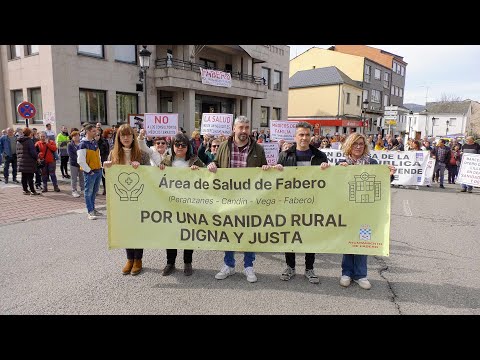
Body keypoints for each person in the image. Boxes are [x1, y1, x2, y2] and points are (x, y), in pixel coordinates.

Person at [207, 115, 269, 283]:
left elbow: (264, 171)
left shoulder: (258, 149)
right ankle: (229, 265)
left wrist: (265, 168)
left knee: (249, 232)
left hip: (249, 199)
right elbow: (217, 165)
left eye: (246, 128)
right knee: (229, 231)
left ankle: (249, 266)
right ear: (234, 129)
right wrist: (212, 165)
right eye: (240, 127)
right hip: (228, 198)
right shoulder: (223, 147)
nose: (243, 131)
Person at [337, 133, 395, 290]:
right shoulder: (342, 163)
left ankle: (361, 274)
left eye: (361, 144)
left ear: (365, 146)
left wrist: (389, 175)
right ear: (349, 145)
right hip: (348, 211)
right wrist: (338, 172)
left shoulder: (372, 163)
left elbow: (381, 183)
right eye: (355, 143)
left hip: (366, 212)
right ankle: (346, 273)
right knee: (348, 241)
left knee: (363, 241)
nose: (358, 146)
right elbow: (334, 186)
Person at [274, 122, 330, 284]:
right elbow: (278, 180)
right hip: (290, 202)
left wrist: (327, 170)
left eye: (307, 134)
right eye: (301, 134)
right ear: (295, 137)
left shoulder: (320, 156)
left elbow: (326, 180)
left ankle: (309, 268)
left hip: (311, 203)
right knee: (289, 235)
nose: (304, 138)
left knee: (309, 235)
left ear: (311, 136)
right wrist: (276, 170)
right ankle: (290, 267)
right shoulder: (285, 155)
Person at [103, 124, 150, 275]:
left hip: (139, 199)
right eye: (122, 135)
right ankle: (129, 258)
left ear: (133, 137)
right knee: (126, 228)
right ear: (118, 138)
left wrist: (141, 169)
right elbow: (109, 180)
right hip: (121, 200)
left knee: (138, 229)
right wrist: (106, 168)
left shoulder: (142, 155)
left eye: (128, 135)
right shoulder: (113, 154)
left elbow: (151, 177)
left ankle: (138, 259)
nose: (126, 138)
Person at [159, 132, 206, 277]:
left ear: (188, 147)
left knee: (188, 233)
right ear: (173, 146)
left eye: (183, 145)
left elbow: (207, 176)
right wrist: (158, 169)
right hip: (170, 204)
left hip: (189, 204)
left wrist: (199, 171)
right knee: (171, 233)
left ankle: (187, 262)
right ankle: (170, 262)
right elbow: (153, 175)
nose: (179, 147)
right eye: (177, 145)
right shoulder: (166, 160)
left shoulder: (194, 160)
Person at [77, 124, 103, 220]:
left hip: (98, 170)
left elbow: (98, 156)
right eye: (93, 131)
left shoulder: (94, 142)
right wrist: (89, 171)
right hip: (90, 172)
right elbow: (80, 161)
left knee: (94, 192)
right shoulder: (82, 144)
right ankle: (90, 211)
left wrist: (100, 168)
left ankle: (93, 209)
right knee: (88, 192)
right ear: (88, 132)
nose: (95, 133)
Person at [16, 127, 40, 195]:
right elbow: (33, 152)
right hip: (29, 161)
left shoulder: (18, 141)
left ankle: (25, 190)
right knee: (30, 177)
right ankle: (32, 191)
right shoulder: (29, 141)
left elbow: (17, 151)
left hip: (21, 161)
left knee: (24, 176)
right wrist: (37, 158)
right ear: (29, 134)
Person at [67, 131, 84, 197]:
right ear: (72, 137)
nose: (76, 137)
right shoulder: (70, 145)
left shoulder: (82, 144)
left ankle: (82, 189)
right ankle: (74, 190)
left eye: (77, 135)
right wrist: (78, 159)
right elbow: (71, 154)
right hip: (74, 163)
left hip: (82, 163)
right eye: (75, 136)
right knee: (74, 178)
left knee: (82, 177)